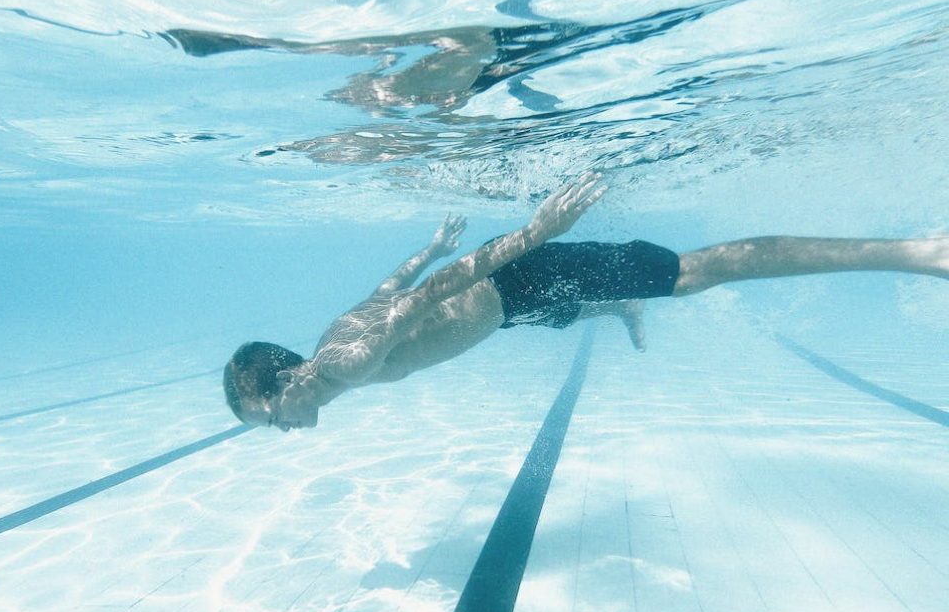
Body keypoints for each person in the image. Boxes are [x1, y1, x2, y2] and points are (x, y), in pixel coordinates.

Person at [223, 172, 947, 431]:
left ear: (281, 379)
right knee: (589, 305)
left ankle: (915, 253)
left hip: (512, 283)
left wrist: (534, 232)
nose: (281, 430)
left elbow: (431, 296)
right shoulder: (332, 345)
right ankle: (615, 308)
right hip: (506, 307)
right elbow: (391, 289)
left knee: (695, 272)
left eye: (269, 418)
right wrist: (434, 246)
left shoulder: (344, 363)